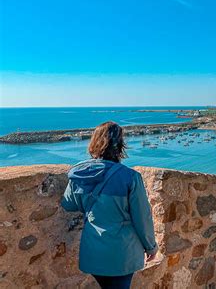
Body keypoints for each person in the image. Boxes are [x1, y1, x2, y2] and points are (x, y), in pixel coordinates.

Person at [61, 121, 157, 289]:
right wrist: (151, 247)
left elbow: (68, 204)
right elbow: (142, 217)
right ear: (120, 145)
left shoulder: (79, 175)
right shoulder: (130, 178)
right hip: (122, 253)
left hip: (93, 250)